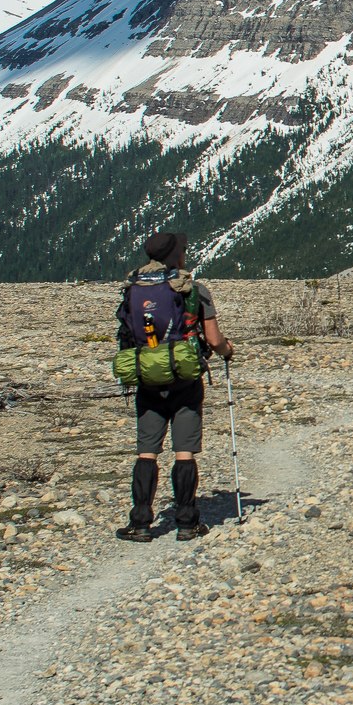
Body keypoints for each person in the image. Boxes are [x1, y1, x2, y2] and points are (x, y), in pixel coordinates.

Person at [117, 232, 233, 541]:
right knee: (184, 452)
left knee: (147, 452)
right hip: (185, 379)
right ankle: (186, 521)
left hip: (147, 379)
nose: (185, 253)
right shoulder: (194, 290)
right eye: (183, 250)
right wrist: (227, 351)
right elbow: (214, 339)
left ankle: (140, 521)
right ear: (174, 256)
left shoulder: (132, 289)